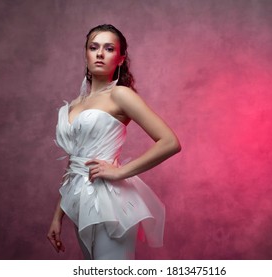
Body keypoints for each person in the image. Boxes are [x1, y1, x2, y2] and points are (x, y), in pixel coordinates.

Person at [47, 24, 181, 260]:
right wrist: (58, 216)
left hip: (111, 204)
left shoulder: (120, 94)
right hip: (80, 203)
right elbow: (75, 164)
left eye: (109, 49)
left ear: (120, 59)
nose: (100, 54)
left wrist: (121, 172)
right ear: (86, 53)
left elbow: (170, 141)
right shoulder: (77, 103)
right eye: (94, 47)